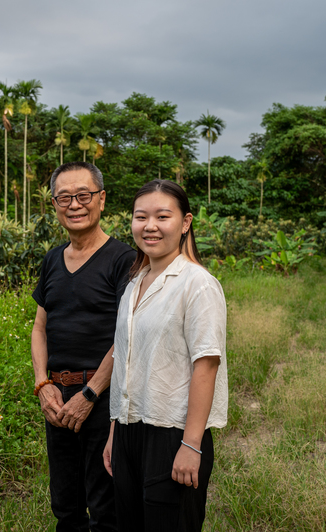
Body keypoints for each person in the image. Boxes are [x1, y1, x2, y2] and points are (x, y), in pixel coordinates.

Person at [102, 179, 228, 532]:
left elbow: (206, 365)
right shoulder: (133, 283)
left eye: (162, 216)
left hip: (173, 433)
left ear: (185, 223)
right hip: (129, 431)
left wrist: (191, 444)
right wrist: (115, 433)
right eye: (141, 217)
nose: (150, 226)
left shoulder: (197, 284)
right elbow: (125, 365)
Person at [31, 161, 135, 532]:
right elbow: (40, 327)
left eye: (84, 195)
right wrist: (43, 385)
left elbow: (127, 335)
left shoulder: (124, 259)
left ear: (101, 200)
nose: (74, 204)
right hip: (57, 397)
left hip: (104, 398)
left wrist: (90, 394)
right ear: (54, 203)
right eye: (64, 197)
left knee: (105, 507)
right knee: (65, 505)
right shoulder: (52, 259)